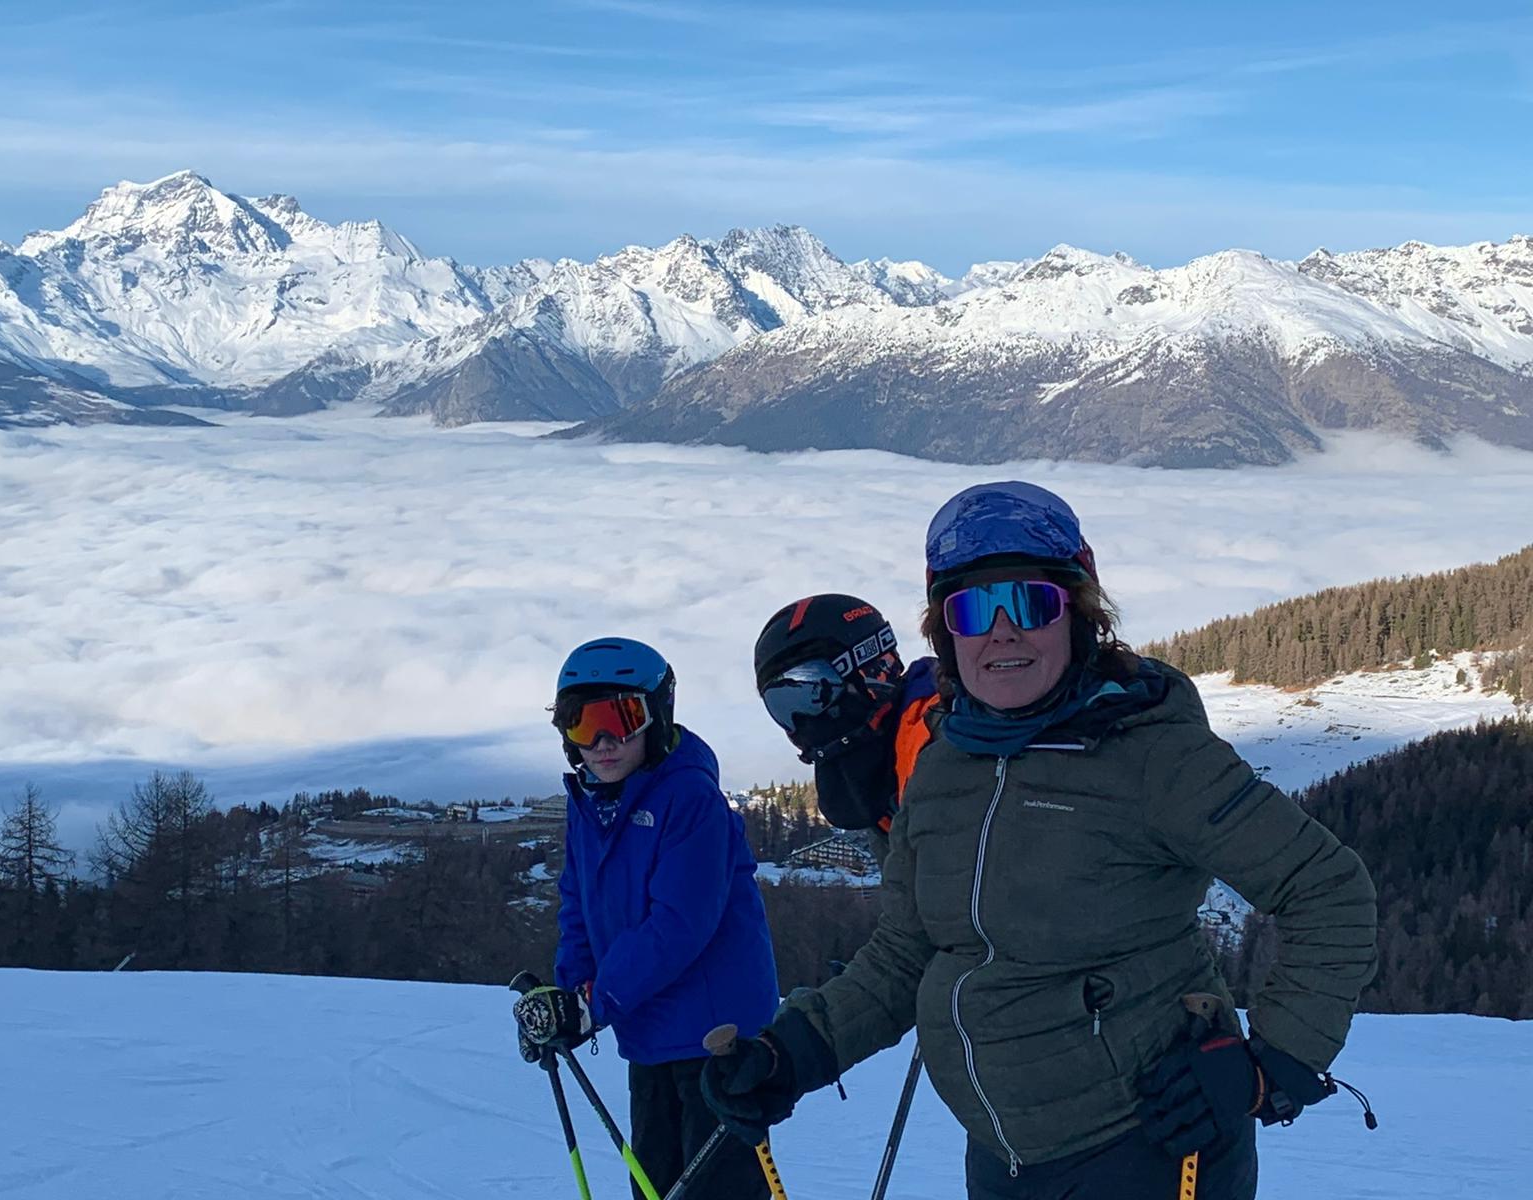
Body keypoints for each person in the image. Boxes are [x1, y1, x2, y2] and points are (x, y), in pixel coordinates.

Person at [702, 483, 1379, 1200]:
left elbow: (1328, 890)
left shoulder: (1154, 756)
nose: (1001, 630)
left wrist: (1272, 1066)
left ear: (1079, 615)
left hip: (1147, 1152)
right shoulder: (942, 767)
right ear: (945, 635)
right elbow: (908, 952)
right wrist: (796, 1051)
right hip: (1001, 1158)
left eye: (1030, 603)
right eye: (971, 608)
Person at [513, 636, 779, 1200]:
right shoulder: (590, 801)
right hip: (648, 1029)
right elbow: (578, 906)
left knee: (716, 1190)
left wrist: (592, 1004)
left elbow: (680, 924)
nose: (603, 742)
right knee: (656, 1184)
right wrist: (569, 999)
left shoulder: (691, 798)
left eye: (622, 718)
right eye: (581, 725)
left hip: (716, 1038)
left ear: (657, 717)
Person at [752, 593, 940, 863]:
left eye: (812, 691)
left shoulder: (943, 739)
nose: (801, 722)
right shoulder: (883, 779)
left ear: (869, 668)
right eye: (781, 705)